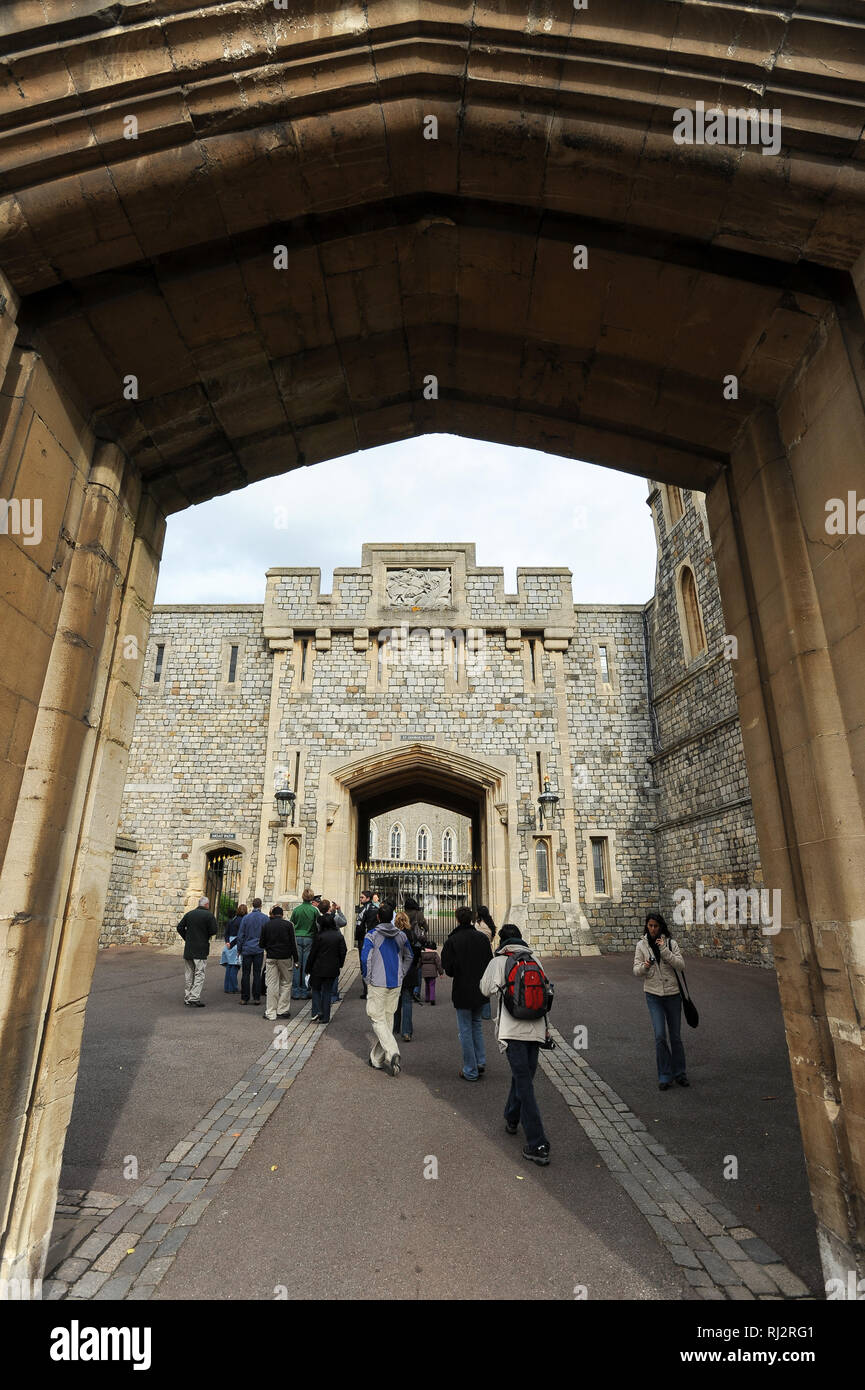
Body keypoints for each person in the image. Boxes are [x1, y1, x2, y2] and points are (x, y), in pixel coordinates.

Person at [480, 923, 552, 1166]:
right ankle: (512, 1117)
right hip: (535, 1028)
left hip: (512, 1030)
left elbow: (484, 990)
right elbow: (545, 996)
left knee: (524, 1083)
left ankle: (537, 1143)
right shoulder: (536, 961)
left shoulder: (499, 961)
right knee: (524, 1078)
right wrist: (547, 1028)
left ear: (501, 941)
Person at [634, 911, 688, 1090]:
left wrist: (664, 950)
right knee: (659, 1036)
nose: (653, 929)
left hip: (672, 995)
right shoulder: (641, 945)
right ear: (646, 926)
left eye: (656, 926)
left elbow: (680, 965)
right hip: (653, 995)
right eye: (650, 925)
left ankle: (680, 1073)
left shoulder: (671, 943)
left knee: (675, 1037)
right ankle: (664, 1075)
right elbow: (636, 970)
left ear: (661, 927)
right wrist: (645, 966)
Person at [360, 902, 414, 1076]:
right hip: (395, 982)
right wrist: (402, 973)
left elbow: (365, 959)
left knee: (377, 1018)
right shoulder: (401, 936)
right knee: (387, 1020)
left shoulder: (372, 935)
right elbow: (409, 956)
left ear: (377, 917)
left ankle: (392, 1053)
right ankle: (376, 1059)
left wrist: (367, 978)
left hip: (378, 983)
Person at [441, 905, 493, 1081]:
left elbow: (448, 969)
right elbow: (489, 962)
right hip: (479, 989)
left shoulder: (452, 941)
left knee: (465, 1030)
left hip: (462, 989)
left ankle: (470, 1069)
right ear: (471, 919)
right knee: (476, 1025)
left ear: (457, 919)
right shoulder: (482, 939)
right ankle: (480, 1061)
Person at [306, 910, 348, 1023]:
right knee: (327, 992)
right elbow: (343, 951)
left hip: (318, 967)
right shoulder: (339, 936)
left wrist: (308, 968)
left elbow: (313, 953)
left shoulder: (319, 936)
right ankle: (325, 1016)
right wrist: (340, 963)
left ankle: (317, 1010)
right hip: (332, 968)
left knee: (316, 989)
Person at [177, 896, 218, 1007]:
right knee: (199, 974)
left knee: (189, 974)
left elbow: (180, 927)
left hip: (189, 949)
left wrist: (187, 938)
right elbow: (214, 930)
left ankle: (187, 997)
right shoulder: (209, 916)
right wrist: (205, 935)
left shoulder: (189, 914)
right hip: (201, 949)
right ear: (207, 904)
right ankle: (194, 997)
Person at [260, 904, 298, 1020]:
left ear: (273, 914)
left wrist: (269, 948)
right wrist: (296, 959)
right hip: (285, 957)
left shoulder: (266, 925)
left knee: (271, 984)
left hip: (271, 957)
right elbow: (293, 943)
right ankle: (283, 1010)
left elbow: (261, 944)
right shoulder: (288, 925)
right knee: (286, 983)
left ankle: (271, 1012)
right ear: (282, 914)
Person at [393, 910, 422, 1041]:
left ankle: (395, 1027)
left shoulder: (393, 935)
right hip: (409, 970)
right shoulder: (412, 935)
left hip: (396, 970)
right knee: (407, 1001)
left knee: (395, 1001)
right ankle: (407, 1031)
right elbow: (416, 954)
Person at [236, 897, 268, 1004]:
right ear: (260, 906)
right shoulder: (265, 918)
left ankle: (244, 998)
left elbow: (240, 935)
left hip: (247, 948)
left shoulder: (246, 918)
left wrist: (239, 949)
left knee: (245, 973)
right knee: (257, 973)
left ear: (252, 905)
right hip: (259, 949)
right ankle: (256, 997)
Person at [290, 887, 320, 999]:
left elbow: (292, 924)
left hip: (297, 937)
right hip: (309, 938)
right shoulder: (314, 910)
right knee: (307, 965)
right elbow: (318, 925)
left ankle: (296, 990)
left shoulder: (296, 910)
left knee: (297, 964)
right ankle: (305, 990)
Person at [318, 898, 347, 1002]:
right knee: (334, 972)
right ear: (329, 908)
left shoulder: (319, 919)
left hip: (323, 945)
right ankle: (333, 995)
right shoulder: (334, 917)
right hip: (334, 944)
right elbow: (344, 922)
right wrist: (339, 910)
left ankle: (324, 994)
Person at [403, 897, 428, 1001]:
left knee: (406, 964)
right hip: (417, 942)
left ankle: (406, 988)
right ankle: (416, 991)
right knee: (418, 966)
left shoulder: (404, 914)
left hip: (406, 941)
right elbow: (425, 927)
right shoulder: (419, 914)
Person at [355, 891, 378, 1000]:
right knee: (373, 963)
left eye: (362, 897)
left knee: (364, 963)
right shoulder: (376, 909)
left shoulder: (364, 909)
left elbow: (360, 925)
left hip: (365, 938)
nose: (360, 899)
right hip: (374, 938)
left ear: (368, 898)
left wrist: (359, 938)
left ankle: (367, 990)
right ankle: (373, 988)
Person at [475, 907, 496, 1018]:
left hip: (477, 954)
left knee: (477, 981)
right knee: (486, 982)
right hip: (488, 953)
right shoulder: (490, 925)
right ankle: (486, 1013)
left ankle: (478, 1010)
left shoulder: (478, 924)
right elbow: (491, 939)